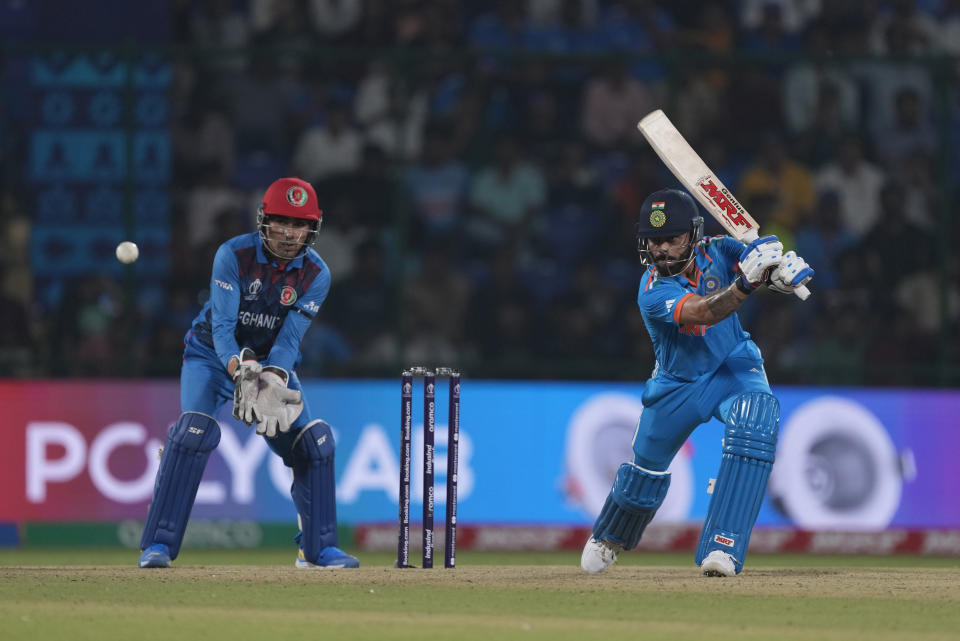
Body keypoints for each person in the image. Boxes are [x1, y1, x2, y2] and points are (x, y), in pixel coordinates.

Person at [580, 188, 812, 577]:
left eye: (672, 238)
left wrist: (779, 272)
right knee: (645, 477)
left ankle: (723, 546)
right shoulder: (652, 290)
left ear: (693, 235)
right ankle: (610, 536)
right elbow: (705, 311)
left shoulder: (720, 250)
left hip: (732, 366)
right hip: (677, 383)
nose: (662, 249)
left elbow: (757, 260)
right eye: (654, 241)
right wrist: (748, 284)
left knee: (756, 420)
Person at [138, 177, 359, 569]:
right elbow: (222, 327)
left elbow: (290, 339)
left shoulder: (317, 274)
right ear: (264, 220)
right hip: (211, 355)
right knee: (193, 433)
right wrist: (241, 370)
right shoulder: (233, 254)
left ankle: (317, 550)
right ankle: (157, 546)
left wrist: (272, 377)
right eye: (281, 222)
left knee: (313, 444)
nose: (290, 233)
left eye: (300, 224)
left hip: (270, 361)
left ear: (313, 228)